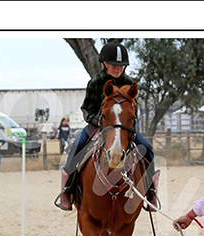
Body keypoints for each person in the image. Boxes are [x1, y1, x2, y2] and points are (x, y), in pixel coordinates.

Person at [56, 42, 157, 211]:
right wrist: (98, 120)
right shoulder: (95, 83)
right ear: (104, 63)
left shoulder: (129, 83)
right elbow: (86, 109)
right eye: (113, 65)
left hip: (123, 128)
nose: (117, 69)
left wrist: (126, 124)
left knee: (147, 148)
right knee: (76, 146)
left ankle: (151, 192)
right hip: (97, 126)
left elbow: (134, 110)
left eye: (121, 66)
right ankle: (66, 191)